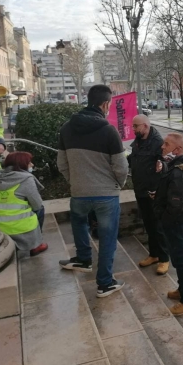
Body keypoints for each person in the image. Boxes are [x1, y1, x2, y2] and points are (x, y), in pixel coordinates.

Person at [57, 85, 129, 299]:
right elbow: (121, 167)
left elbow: (61, 163)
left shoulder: (66, 128)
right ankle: (105, 283)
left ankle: (83, 259)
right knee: (107, 238)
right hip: (106, 194)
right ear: (105, 104)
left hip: (79, 192)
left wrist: (76, 182)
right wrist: (118, 184)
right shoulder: (108, 130)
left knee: (79, 223)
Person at [154, 132, 183, 316]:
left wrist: (163, 218)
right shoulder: (179, 168)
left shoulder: (178, 173)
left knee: (181, 261)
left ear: (178, 149)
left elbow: (176, 204)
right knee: (178, 259)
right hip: (179, 222)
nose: (162, 147)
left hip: (175, 223)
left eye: (166, 144)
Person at [0, 152, 48, 257]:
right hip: (17, 227)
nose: (32, 165)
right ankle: (36, 245)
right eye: (29, 162)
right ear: (22, 164)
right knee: (40, 208)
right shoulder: (26, 179)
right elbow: (37, 204)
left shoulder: (0, 177)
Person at [128, 115, 169, 275]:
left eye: (136, 126)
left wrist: (163, 166)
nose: (133, 129)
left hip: (154, 192)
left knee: (158, 226)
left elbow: (166, 162)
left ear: (145, 126)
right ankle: (154, 255)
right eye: (133, 126)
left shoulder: (158, 142)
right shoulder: (139, 141)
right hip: (141, 190)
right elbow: (134, 159)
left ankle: (164, 258)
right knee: (149, 225)